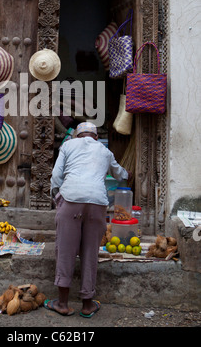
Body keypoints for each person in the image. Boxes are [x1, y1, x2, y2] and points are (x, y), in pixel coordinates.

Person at [44, 121, 131, 318]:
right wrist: (128, 174)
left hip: (71, 199)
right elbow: (119, 173)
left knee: (65, 251)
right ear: (95, 137)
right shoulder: (104, 151)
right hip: (98, 203)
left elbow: (56, 175)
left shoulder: (68, 145)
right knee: (90, 252)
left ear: (77, 135)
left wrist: (58, 197)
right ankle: (87, 304)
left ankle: (63, 304)